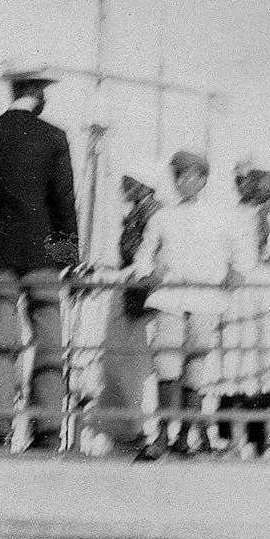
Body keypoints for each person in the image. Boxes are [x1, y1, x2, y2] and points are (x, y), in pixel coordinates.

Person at [0, 64, 78, 451]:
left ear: (13, 91)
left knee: (0, 343)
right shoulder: (54, 138)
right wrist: (67, 259)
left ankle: (0, 430)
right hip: (44, 257)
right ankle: (47, 431)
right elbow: (63, 202)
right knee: (49, 341)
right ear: (39, 94)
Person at [133, 150, 250, 460]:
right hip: (170, 297)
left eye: (191, 176)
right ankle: (161, 434)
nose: (184, 182)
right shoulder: (162, 216)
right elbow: (144, 255)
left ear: (203, 180)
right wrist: (149, 273)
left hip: (206, 298)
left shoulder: (221, 215)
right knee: (166, 363)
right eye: (179, 176)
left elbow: (241, 254)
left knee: (196, 367)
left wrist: (236, 274)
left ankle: (186, 435)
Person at [218, 158, 270, 456]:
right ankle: (236, 440)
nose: (262, 185)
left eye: (269, 179)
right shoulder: (228, 215)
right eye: (257, 178)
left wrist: (265, 219)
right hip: (238, 298)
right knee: (236, 365)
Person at [92, 166, 163, 451]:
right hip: (129, 290)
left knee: (136, 365)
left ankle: (138, 427)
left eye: (130, 182)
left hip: (141, 294)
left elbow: (147, 258)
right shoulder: (136, 212)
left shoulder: (153, 213)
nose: (124, 187)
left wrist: (119, 276)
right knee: (122, 364)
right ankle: (127, 426)